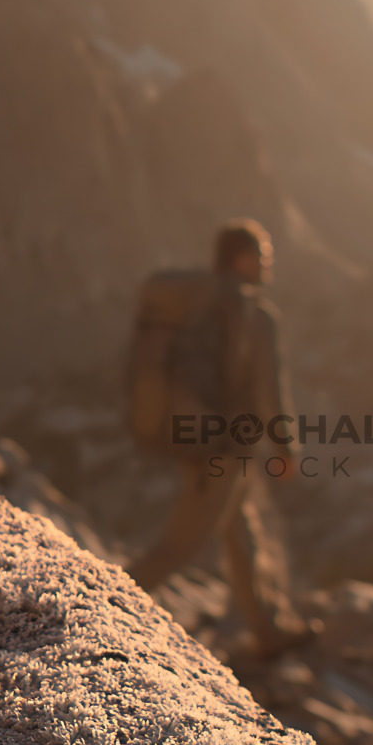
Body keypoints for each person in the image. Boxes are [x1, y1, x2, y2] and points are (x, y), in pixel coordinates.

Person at [127, 219, 308, 657]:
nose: (269, 264)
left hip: (203, 438)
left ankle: (269, 631)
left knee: (242, 537)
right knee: (180, 545)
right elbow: (270, 393)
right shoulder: (257, 317)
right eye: (264, 255)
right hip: (224, 449)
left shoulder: (195, 307)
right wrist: (286, 449)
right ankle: (99, 603)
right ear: (243, 260)